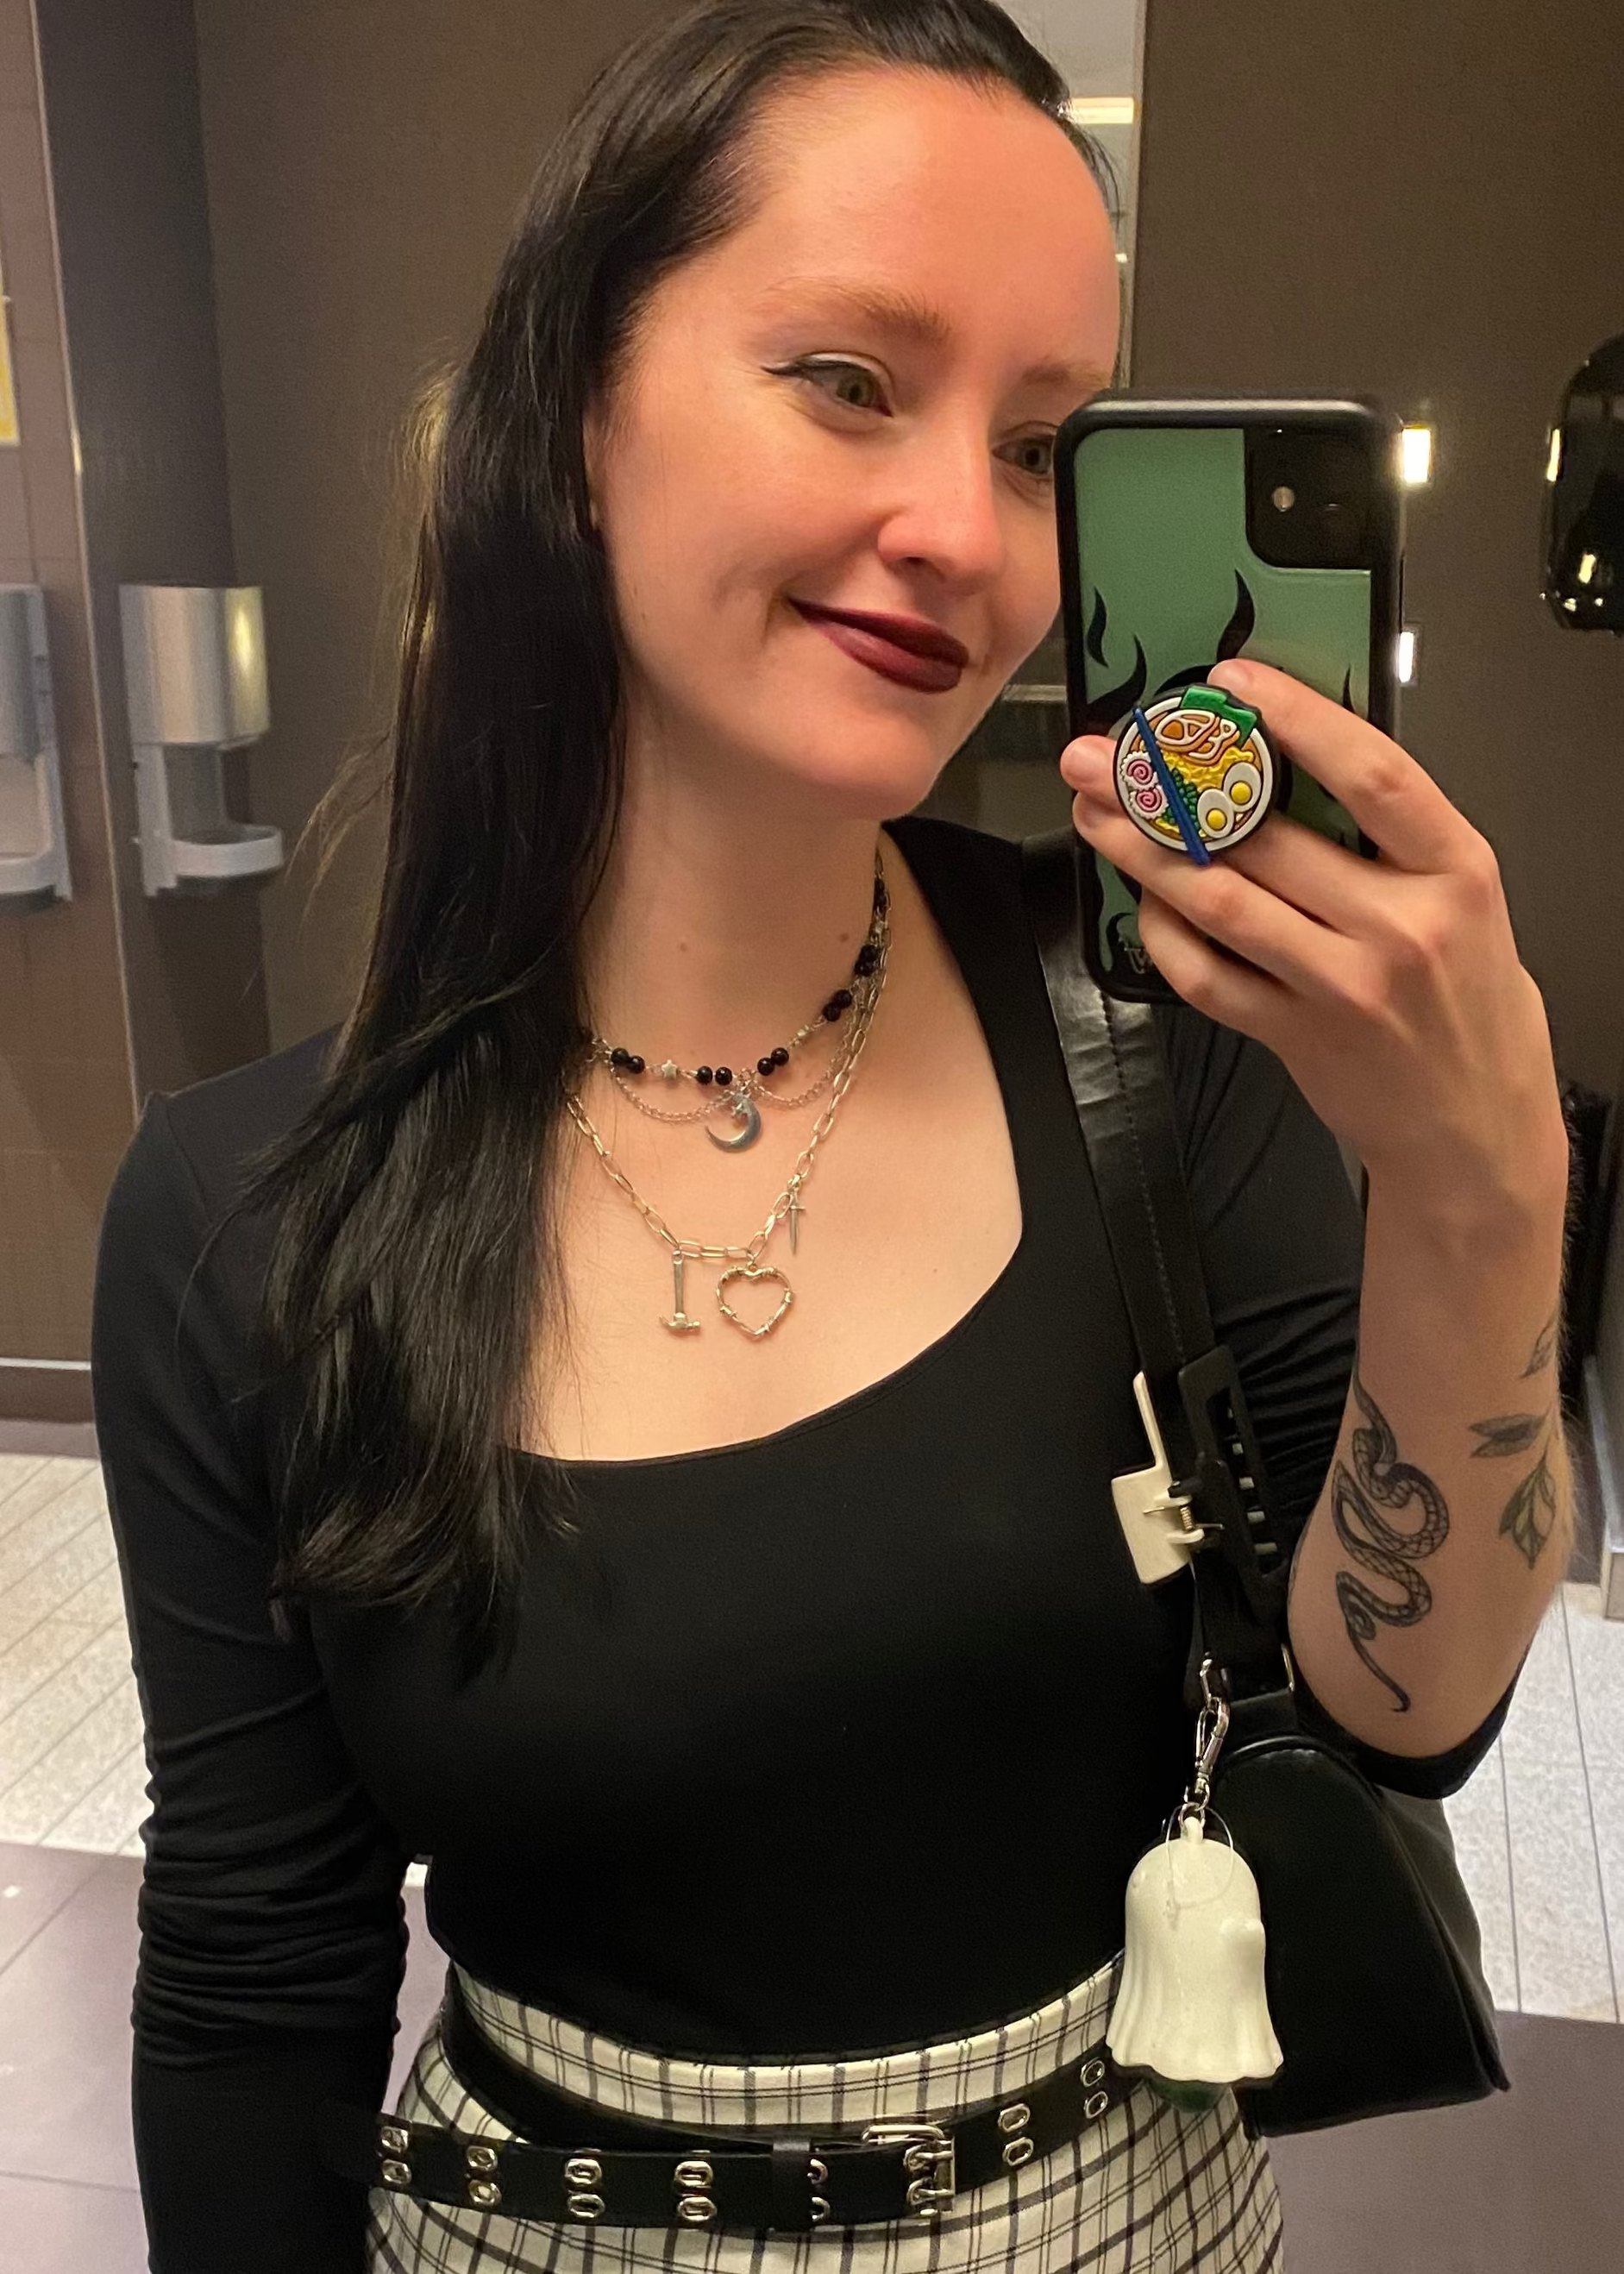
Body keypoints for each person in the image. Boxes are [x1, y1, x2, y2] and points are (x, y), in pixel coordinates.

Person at [91, 3, 1576, 2269]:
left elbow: (1402, 1712)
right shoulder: (248, 1216)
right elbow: (253, 1992)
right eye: (853, 381)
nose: (965, 531)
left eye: (1043, 442)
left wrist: (1480, 1191)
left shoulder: (1156, 1031)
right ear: (574, 413)